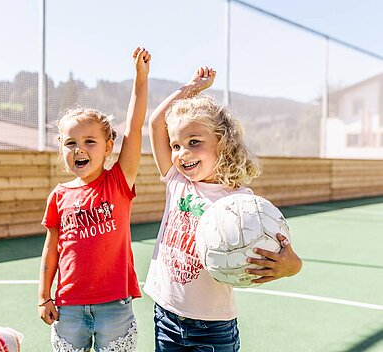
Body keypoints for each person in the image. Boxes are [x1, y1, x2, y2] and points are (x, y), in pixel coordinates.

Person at [143, 66, 303, 351]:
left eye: (194, 142)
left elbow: (289, 258)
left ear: (223, 142)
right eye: (176, 145)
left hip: (213, 327)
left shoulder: (242, 204)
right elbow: (156, 123)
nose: (182, 153)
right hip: (165, 316)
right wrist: (192, 87)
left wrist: (290, 267)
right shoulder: (177, 181)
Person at [37, 47, 151, 352]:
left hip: (114, 307)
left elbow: (135, 127)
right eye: (71, 142)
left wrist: (141, 79)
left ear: (109, 146)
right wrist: (44, 295)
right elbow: (51, 251)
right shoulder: (59, 196)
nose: (80, 149)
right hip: (68, 307)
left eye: (90, 141)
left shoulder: (118, 182)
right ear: (61, 147)